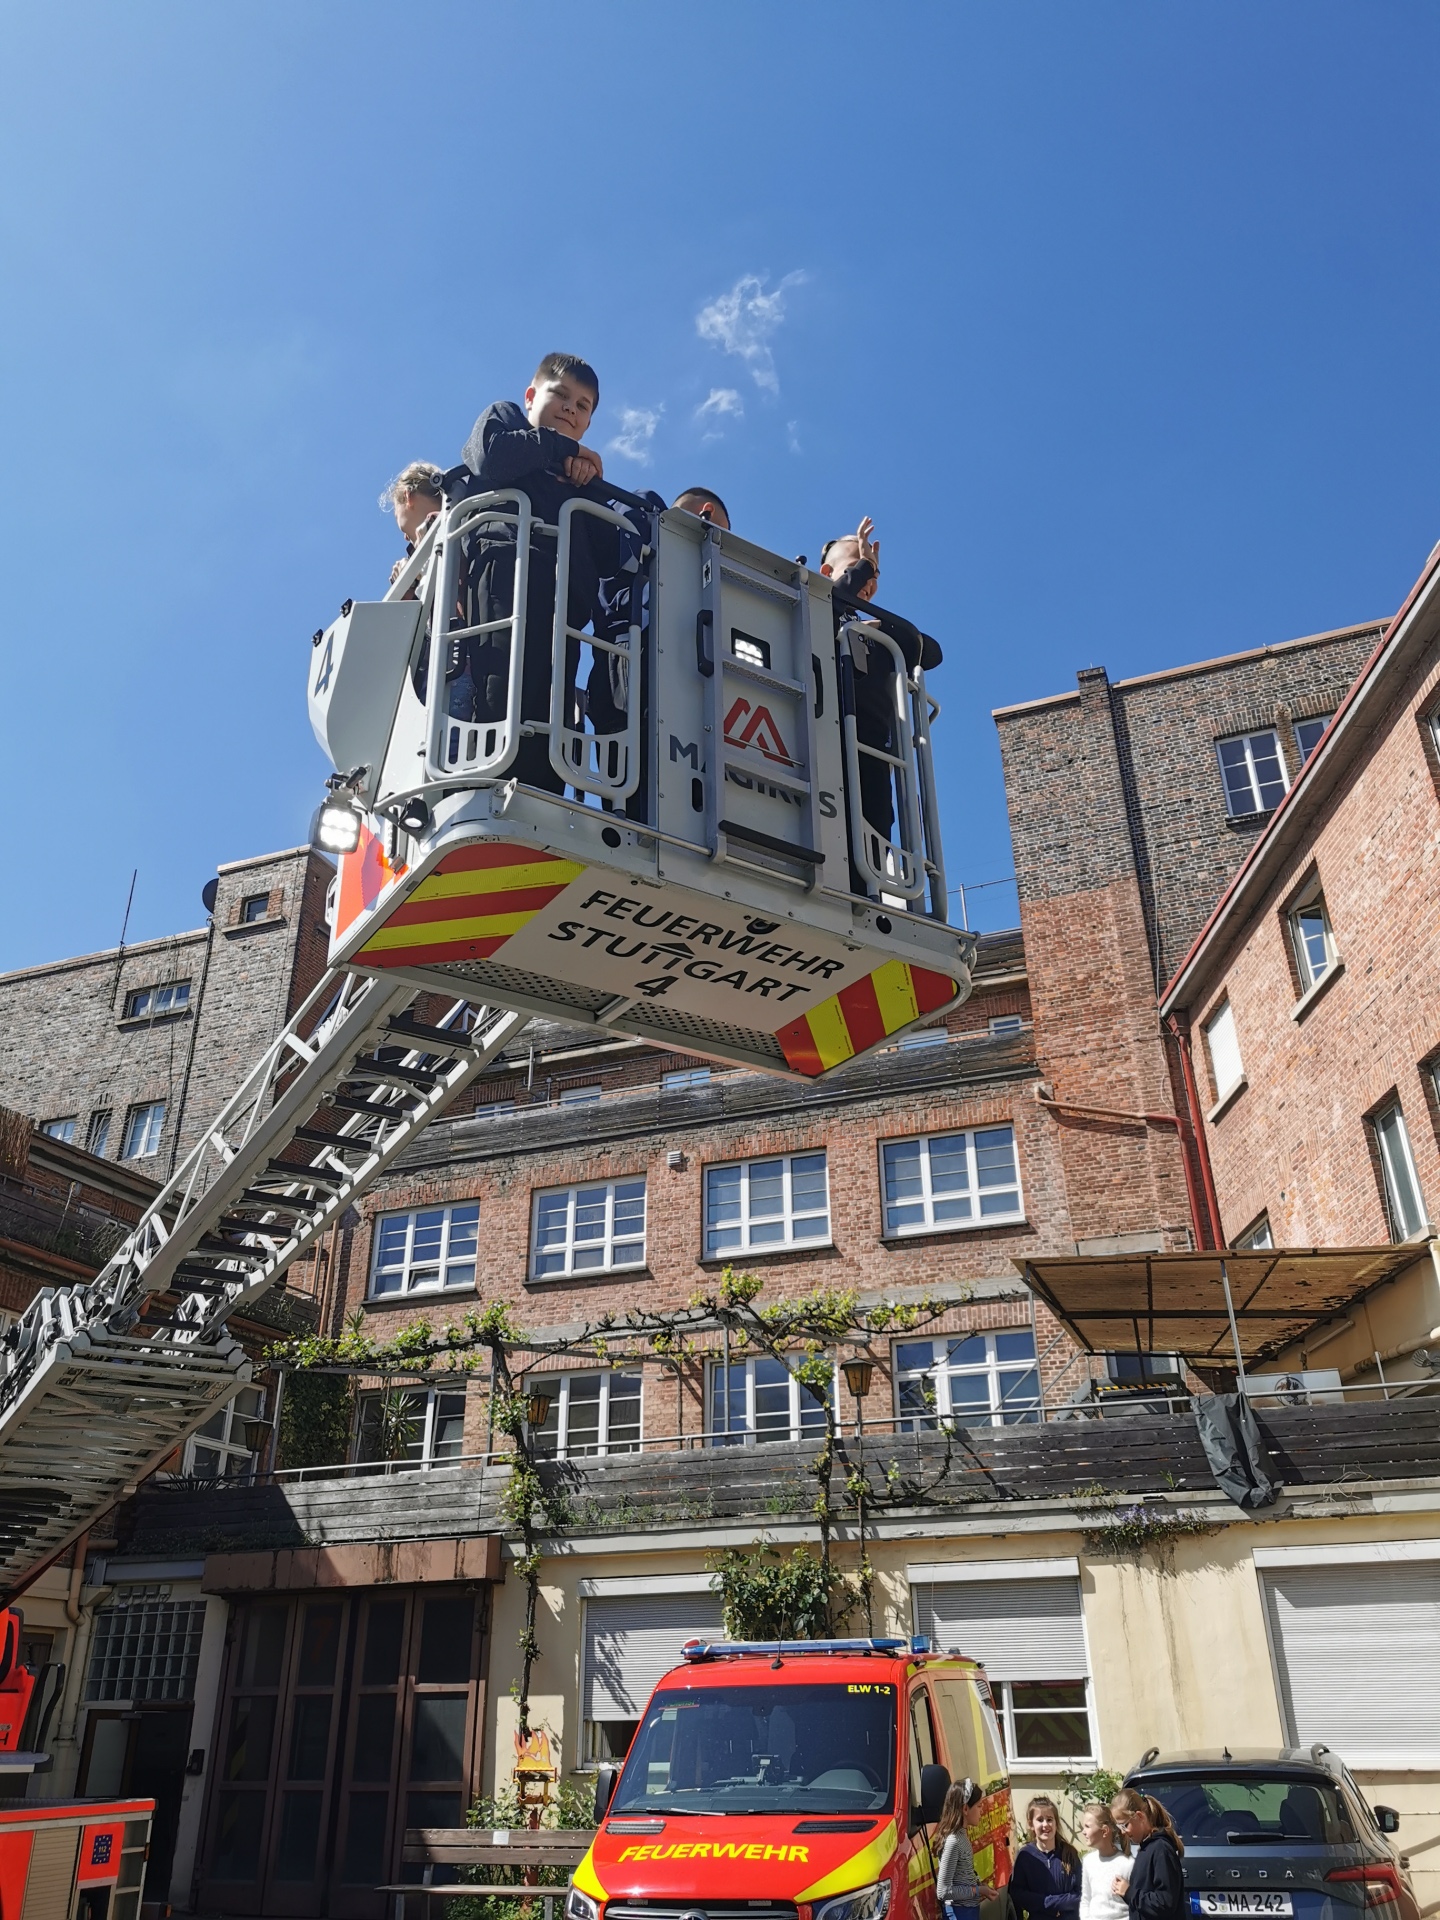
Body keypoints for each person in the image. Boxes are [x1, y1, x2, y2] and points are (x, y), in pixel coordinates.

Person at [449, 354, 621, 791]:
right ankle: (487, 787)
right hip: (507, 572)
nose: (570, 409)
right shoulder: (504, 419)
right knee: (501, 690)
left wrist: (589, 483)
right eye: (560, 395)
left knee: (552, 707)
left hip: (564, 604)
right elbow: (489, 458)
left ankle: (543, 796)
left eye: (583, 406)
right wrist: (562, 448)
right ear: (531, 395)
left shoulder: (579, 476)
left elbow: (607, 553)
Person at [820, 516, 942, 894]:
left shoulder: (868, 629)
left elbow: (928, 651)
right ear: (829, 571)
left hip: (875, 752)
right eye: (857, 563)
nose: (867, 576)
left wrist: (880, 629)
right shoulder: (811, 607)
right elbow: (831, 599)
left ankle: (867, 895)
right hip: (828, 739)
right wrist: (864, 568)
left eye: (873, 570)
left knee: (874, 830)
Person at [1108, 1790, 1186, 1920]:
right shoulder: (1146, 1848)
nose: (1123, 1832)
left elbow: (1165, 1903)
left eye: (1125, 1825)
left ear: (1140, 1816)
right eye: (1119, 1826)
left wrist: (1129, 1892)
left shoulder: (1161, 1850)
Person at [1010, 1796, 1082, 1920]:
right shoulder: (1026, 1856)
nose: (1045, 1825)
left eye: (1049, 1819)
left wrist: (1052, 1903)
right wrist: (1044, 1903)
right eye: (1040, 1819)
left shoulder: (1069, 1854)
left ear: (1056, 1822)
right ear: (1031, 1824)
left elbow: (1081, 1893)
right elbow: (1018, 1894)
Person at [381, 462, 445, 589]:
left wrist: (421, 564)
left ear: (407, 496)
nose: (405, 537)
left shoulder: (449, 536)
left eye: (396, 515)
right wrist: (408, 585)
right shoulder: (468, 519)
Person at [934, 1778, 989, 1920]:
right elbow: (943, 1891)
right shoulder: (953, 1841)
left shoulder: (961, 1837)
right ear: (965, 1809)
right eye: (978, 1806)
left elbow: (961, 1875)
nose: (981, 1810)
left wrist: (978, 1884)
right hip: (959, 1914)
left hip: (968, 1911)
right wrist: (977, 1890)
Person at [1079, 1803, 1130, 1920]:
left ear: (1104, 1831)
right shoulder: (1088, 1862)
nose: (1083, 1831)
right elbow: (1086, 1899)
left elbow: (1131, 1906)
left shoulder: (1127, 1863)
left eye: (1087, 1826)